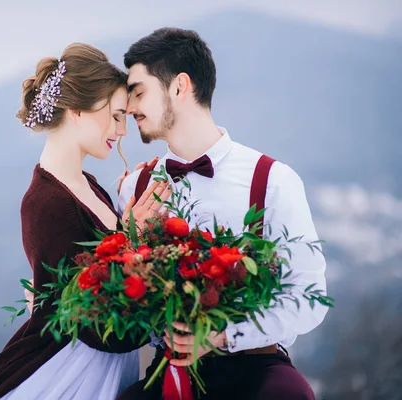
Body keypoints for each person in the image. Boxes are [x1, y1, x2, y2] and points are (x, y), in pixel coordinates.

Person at [115, 27, 328, 400]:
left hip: (255, 370)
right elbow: (121, 301)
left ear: (180, 87)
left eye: (138, 92)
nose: (130, 107)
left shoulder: (274, 181)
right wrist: (130, 244)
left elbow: (307, 298)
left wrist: (224, 334)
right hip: (169, 369)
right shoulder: (135, 188)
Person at [0, 43, 170, 400]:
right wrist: (136, 239)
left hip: (94, 369)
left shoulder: (85, 183)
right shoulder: (46, 204)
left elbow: (99, 266)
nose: (122, 130)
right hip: (66, 376)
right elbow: (97, 323)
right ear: (77, 111)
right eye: (115, 116)